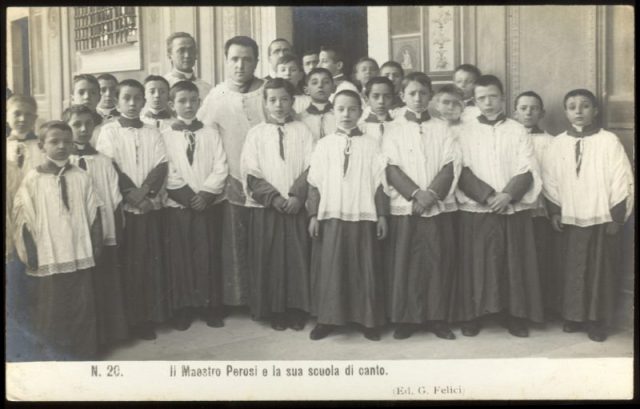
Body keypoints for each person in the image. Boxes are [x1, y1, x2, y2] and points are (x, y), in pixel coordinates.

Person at [451, 75, 543, 338]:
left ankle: (513, 315)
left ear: (502, 98)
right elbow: (462, 169)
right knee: (477, 263)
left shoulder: (517, 130)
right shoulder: (465, 131)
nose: (488, 103)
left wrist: (508, 195)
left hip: (510, 206)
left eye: (492, 96)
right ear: (474, 100)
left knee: (511, 262)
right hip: (478, 206)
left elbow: (528, 168)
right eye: (481, 98)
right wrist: (488, 195)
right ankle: (473, 314)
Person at [542, 89, 634, 342]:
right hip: (570, 215)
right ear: (566, 112)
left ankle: (597, 320)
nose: (578, 111)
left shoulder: (608, 141)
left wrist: (616, 216)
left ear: (595, 110)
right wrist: (554, 211)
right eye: (572, 106)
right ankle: (573, 316)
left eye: (584, 106)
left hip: (600, 216)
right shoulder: (557, 143)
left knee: (599, 270)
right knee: (571, 268)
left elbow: (621, 178)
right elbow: (550, 180)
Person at [13, 121, 102, 360]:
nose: (62, 146)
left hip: (79, 253)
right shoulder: (33, 179)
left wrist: (95, 246)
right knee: (50, 306)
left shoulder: (82, 177)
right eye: (54, 141)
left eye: (66, 141)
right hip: (48, 254)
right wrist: (30, 255)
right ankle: (54, 356)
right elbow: (23, 220)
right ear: (42, 146)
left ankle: (85, 354)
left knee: (82, 305)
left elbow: (94, 213)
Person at [383, 72, 460, 340]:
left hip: (435, 205)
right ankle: (408, 318)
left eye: (423, 93)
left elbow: (451, 165)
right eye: (412, 93)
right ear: (402, 96)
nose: (418, 98)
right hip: (407, 205)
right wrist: (414, 194)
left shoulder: (443, 128)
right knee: (407, 262)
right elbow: (390, 166)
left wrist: (432, 195)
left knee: (436, 260)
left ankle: (437, 318)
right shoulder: (392, 129)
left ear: (431, 97)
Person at [307, 89, 389, 341]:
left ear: (361, 111)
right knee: (332, 267)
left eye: (352, 109)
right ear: (333, 112)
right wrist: (312, 215)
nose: (346, 114)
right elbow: (314, 182)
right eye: (341, 109)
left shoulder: (371, 145)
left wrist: (383, 215)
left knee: (363, 267)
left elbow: (380, 183)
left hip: (363, 214)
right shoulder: (323, 145)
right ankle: (327, 319)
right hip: (331, 214)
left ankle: (368, 320)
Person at [96, 79, 169, 341]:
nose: (131, 103)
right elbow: (110, 165)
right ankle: (129, 321)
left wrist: (148, 194)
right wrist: (134, 196)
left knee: (148, 262)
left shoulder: (153, 132)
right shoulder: (109, 131)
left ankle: (147, 317)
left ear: (143, 101)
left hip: (150, 207)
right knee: (128, 264)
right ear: (116, 101)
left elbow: (161, 164)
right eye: (126, 98)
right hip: (125, 209)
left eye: (137, 98)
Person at [197, 36, 266, 307]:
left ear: (256, 61)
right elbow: (206, 137)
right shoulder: (217, 96)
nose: (241, 65)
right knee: (235, 241)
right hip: (232, 177)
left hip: (266, 177)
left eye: (247, 59)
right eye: (235, 59)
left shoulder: (266, 91)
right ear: (226, 61)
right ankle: (239, 299)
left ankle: (265, 297)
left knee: (265, 239)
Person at [240, 78, 314, 331]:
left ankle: (296, 309)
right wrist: (274, 198)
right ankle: (274, 310)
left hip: (295, 206)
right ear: (265, 103)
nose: (279, 105)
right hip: (268, 208)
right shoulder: (256, 134)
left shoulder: (303, 131)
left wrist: (296, 196)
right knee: (270, 259)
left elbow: (311, 167)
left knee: (296, 258)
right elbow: (251, 172)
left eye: (284, 99)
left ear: (292, 101)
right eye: (272, 100)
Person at [163, 80, 229, 330]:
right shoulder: (165, 136)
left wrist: (206, 194)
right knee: (182, 257)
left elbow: (221, 166)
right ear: (172, 105)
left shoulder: (211, 133)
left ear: (200, 103)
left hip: (207, 206)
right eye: (182, 101)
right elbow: (166, 168)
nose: (188, 105)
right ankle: (184, 308)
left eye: (193, 100)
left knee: (207, 255)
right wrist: (188, 197)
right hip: (180, 206)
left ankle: (210, 307)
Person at [63, 105, 128, 350]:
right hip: (73, 235)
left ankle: (105, 337)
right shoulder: (64, 161)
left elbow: (115, 199)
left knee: (103, 282)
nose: (82, 129)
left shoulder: (103, 161)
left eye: (88, 124)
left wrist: (113, 233)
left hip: (104, 232)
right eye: (76, 124)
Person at [512, 91, 559, 314]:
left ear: (542, 113)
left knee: (539, 259)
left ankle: (539, 310)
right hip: (514, 207)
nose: (528, 112)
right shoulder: (508, 138)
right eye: (523, 108)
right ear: (515, 112)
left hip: (540, 210)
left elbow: (554, 178)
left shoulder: (552, 142)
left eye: (534, 108)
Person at [164, 32, 212, 97]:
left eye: (191, 50)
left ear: (196, 54)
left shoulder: (207, 89)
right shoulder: (162, 87)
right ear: (169, 55)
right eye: (181, 50)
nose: (187, 55)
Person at [296, 67, 336, 143]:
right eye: (314, 83)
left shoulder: (339, 116)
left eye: (326, 82)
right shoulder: (300, 118)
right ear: (306, 90)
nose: (320, 85)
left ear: (333, 88)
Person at [358, 76, 396, 146]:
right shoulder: (361, 128)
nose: (381, 101)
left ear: (393, 99)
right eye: (375, 96)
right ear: (367, 99)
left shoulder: (398, 125)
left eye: (387, 97)